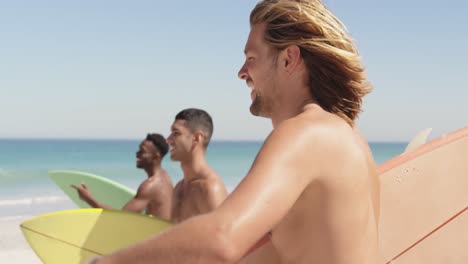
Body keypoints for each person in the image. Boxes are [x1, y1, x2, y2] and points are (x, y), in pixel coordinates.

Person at [91, 0, 380, 263]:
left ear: (288, 60)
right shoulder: (352, 140)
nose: (241, 72)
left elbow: (222, 238)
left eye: (251, 58)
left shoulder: (305, 133)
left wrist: (106, 262)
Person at [72, 133, 174, 221]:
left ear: (156, 156)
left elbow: (122, 217)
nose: (137, 154)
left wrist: (89, 199)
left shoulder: (150, 186)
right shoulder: (165, 178)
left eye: (142, 151)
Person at [166, 108, 228, 223]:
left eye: (176, 133)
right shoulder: (179, 188)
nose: (168, 140)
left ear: (196, 138)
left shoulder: (210, 187)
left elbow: (225, 238)